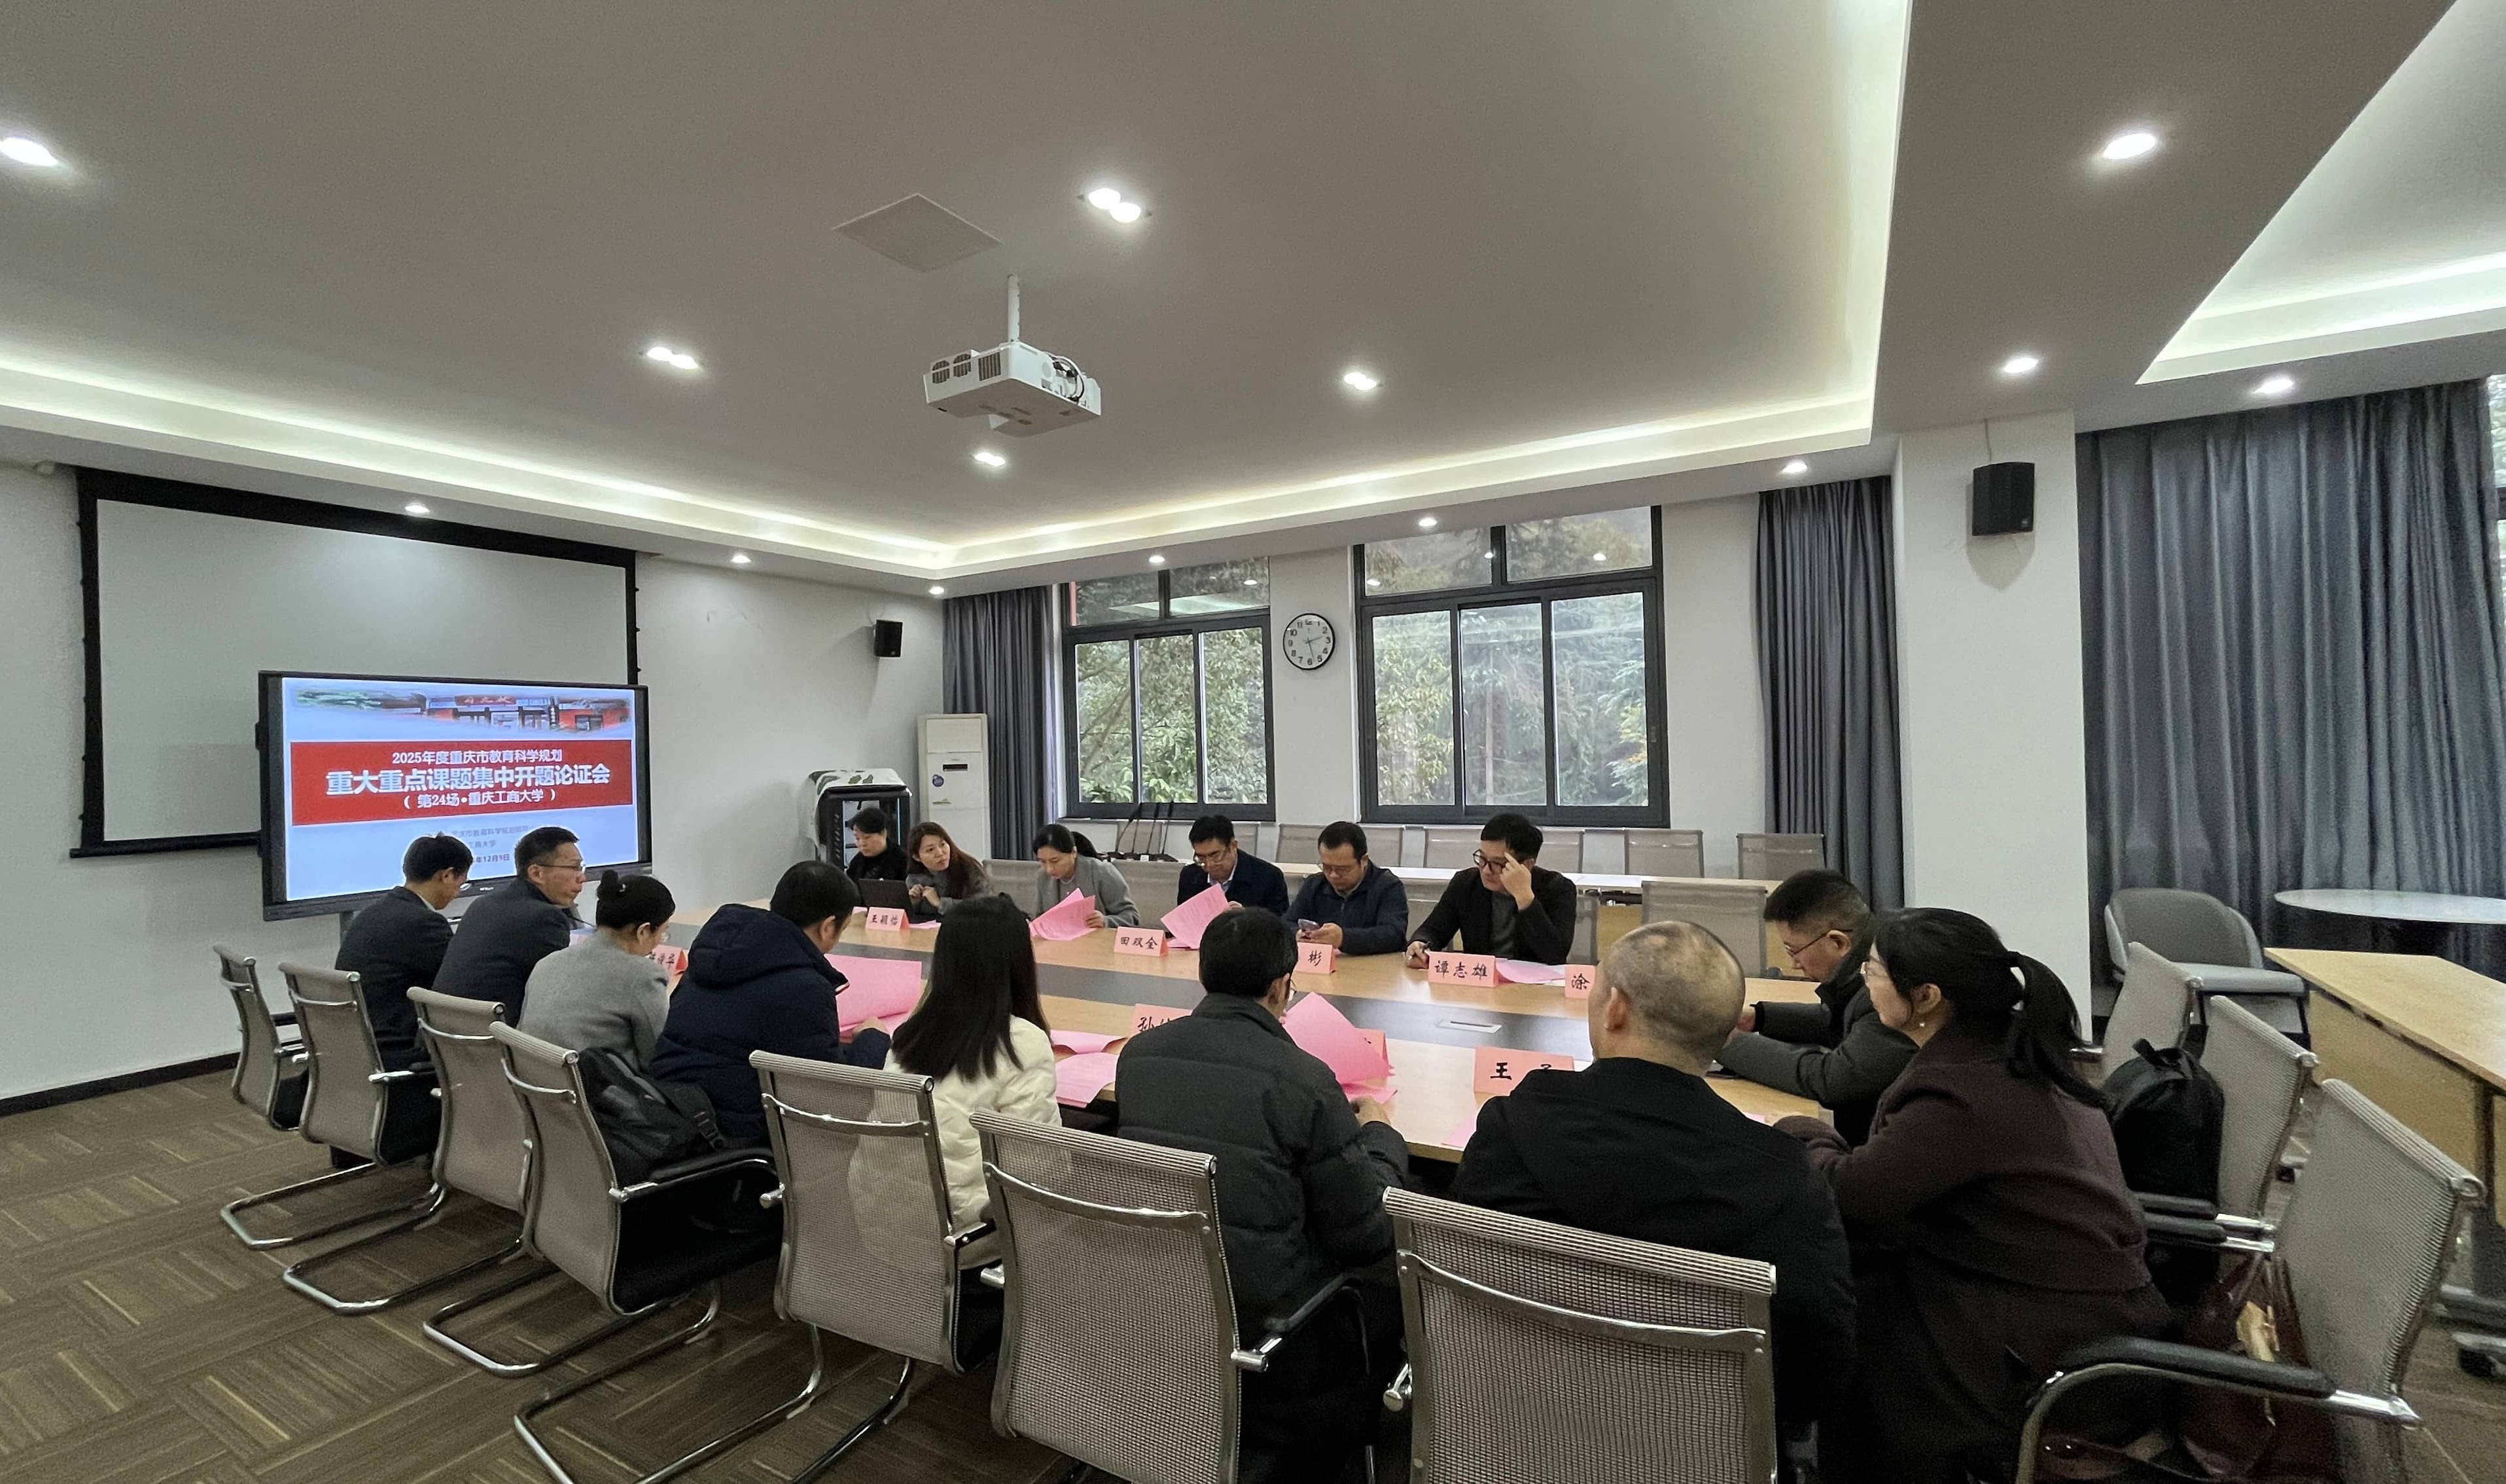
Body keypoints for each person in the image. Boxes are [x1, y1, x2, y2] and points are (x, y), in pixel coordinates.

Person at [1778, 908, 2168, 1483]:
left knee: (1839, 1303)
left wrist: (1798, 1131)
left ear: (1927, 996)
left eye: (1874, 969)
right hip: (2062, 1293)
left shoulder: (1960, 1091)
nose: (1864, 979)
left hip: (2048, 1336)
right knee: (1848, 1283)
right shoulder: (2002, 1049)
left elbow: (1848, 1194)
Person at [1449, 921, 1854, 1472]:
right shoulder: (1785, 1179)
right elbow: (1818, 1377)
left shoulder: (1510, 1128)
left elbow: (1463, 1285)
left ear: (1615, 1008)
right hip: (1703, 1453)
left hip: (1506, 1430)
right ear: (1724, 1036)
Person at [1117, 910, 1409, 1483]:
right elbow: (1365, 1234)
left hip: (1167, 1291)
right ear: (1281, 987)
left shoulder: (1139, 1054)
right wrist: (1381, 1137)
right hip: (1271, 1325)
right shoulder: (1304, 1078)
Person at [857, 895, 1057, 1246]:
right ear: (1020, 963)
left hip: (878, 1225)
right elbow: (1039, 1171)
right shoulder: (1023, 1043)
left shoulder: (910, 1035)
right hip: (966, 1237)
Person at [648, 861, 893, 1146]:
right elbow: (838, 1101)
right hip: (734, 1139)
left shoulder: (714, 954)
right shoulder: (805, 988)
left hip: (673, 1115)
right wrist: (873, 1039)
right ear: (828, 927)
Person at [1716, 870, 1915, 1146]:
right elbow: (1840, 1019)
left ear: (1838, 943)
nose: (1793, 964)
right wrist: (1760, 1018)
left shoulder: (1887, 985)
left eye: (1793, 950)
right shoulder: (1872, 955)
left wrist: (1726, 1043)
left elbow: (1832, 1079)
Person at [335, 833, 471, 1070]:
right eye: (462, 884)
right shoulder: (424, 923)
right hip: (397, 1048)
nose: (458, 892)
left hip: (356, 1043)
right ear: (447, 876)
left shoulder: (372, 912)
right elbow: (459, 981)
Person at [519, 871, 676, 1067]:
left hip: (530, 1081)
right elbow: (658, 1057)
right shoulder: (643, 975)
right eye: (663, 932)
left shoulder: (548, 963)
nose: (661, 940)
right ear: (643, 931)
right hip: (594, 1084)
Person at [432, 826, 585, 1021]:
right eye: (574, 868)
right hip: (493, 1034)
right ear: (536, 873)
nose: (582, 877)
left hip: (444, 1031)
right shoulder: (543, 917)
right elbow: (563, 992)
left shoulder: (484, 904)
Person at [1405, 812, 1576, 966]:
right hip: (1480, 982)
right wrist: (1420, 944)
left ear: (1527, 865)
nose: (1486, 870)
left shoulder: (1558, 889)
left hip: (1535, 987)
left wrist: (1525, 898)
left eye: (1497, 863)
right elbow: (1433, 930)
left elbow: (1555, 955)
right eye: (1482, 858)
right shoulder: (1466, 884)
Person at [1287, 821, 1409, 956]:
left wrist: (1344, 938)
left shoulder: (1387, 887)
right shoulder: (1314, 885)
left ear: (1364, 861)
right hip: (1323, 964)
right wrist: (1298, 934)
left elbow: (1394, 935)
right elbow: (1286, 924)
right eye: (1326, 867)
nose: (1333, 875)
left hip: (1372, 965)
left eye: (1343, 869)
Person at [1175, 813, 1290, 916]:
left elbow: (1282, 925)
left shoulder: (1269, 877)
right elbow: (1183, 921)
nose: (1209, 865)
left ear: (1233, 846)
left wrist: (1248, 917)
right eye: (1201, 858)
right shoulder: (1189, 876)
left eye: (1215, 856)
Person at [1032, 823, 1138, 928]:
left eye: (1055, 861)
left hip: (1098, 938)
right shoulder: (1043, 877)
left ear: (1074, 852)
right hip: (1059, 938)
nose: (1049, 869)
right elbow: (1040, 917)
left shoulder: (1101, 872)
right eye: (1043, 862)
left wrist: (1106, 921)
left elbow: (1132, 916)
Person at [904, 821, 993, 923]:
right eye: (930, 850)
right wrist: (913, 903)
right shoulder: (914, 879)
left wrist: (940, 903)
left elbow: (985, 907)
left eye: (942, 844)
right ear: (917, 857)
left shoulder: (969, 868)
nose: (940, 853)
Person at [844, 806, 911, 883]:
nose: (862, 843)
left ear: (883, 833)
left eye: (867, 837)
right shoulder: (857, 862)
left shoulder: (903, 861)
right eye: (858, 838)